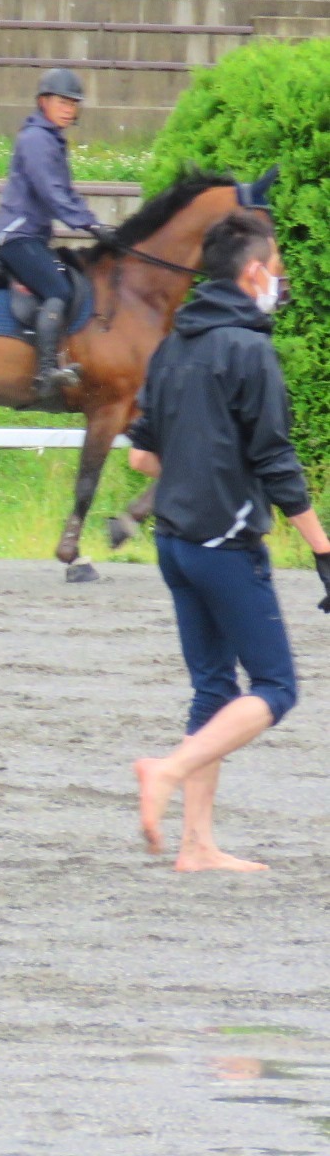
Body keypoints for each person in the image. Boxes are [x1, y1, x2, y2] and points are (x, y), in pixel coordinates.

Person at [127, 210, 330, 871]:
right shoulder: (248, 350)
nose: (280, 278)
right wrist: (323, 549)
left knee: (213, 688)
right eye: (276, 267)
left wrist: (198, 452)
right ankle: (167, 769)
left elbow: (142, 459)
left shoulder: (172, 345)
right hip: (225, 542)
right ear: (251, 272)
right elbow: (276, 462)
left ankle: (197, 845)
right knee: (276, 688)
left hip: (175, 543)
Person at [0, 67, 119, 399]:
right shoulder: (35, 139)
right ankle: (46, 371)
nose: (68, 108)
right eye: (62, 101)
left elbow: (66, 192)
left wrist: (95, 223)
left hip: (31, 235)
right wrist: (89, 225)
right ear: (43, 102)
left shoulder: (49, 140)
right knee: (58, 289)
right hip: (18, 235)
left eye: (73, 103)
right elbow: (51, 192)